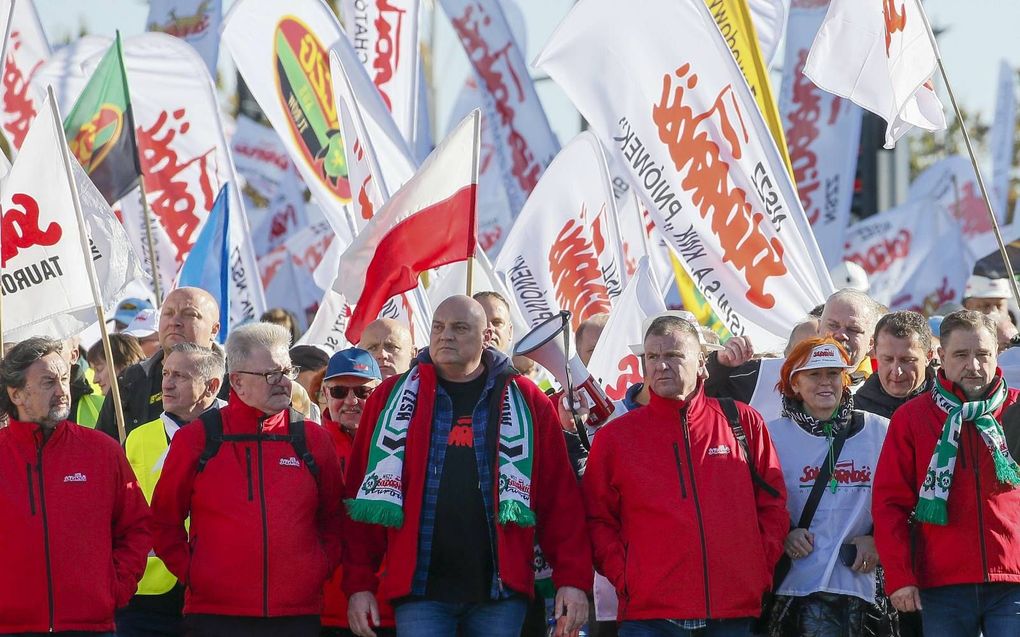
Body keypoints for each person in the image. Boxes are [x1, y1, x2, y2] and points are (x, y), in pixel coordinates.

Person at [343, 295, 592, 637]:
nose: (446, 336)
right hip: (420, 593)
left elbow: (559, 500)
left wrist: (573, 580)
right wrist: (359, 584)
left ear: (486, 335)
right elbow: (362, 499)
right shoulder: (389, 398)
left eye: (459, 328)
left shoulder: (527, 399)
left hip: (499, 594)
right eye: (439, 327)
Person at [582, 315, 787, 636]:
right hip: (649, 616)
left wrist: (759, 568)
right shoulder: (614, 438)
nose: (661, 365)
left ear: (702, 364)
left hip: (732, 611)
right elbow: (597, 519)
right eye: (652, 357)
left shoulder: (743, 422)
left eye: (674, 355)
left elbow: (773, 504)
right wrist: (627, 578)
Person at [151, 323, 344, 636]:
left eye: (287, 371)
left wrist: (316, 569)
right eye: (270, 374)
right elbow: (163, 521)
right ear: (237, 382)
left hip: (296, 615)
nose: (283, 382)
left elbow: (334, 518)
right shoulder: (197, 439)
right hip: (214, 615)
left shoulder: (314, 441)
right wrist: (195, 574)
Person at [874, 310, 1020, 636]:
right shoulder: (911, 419)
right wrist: (900, 578)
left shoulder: (1016, 409)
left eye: (982, 354)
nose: (974, 365)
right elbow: (889, 505)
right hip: (943, 585)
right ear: (941, 356)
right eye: (961, 354)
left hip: (1013, 582)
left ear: (997, 353)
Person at [0, 337, 151, 635]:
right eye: (48, 382)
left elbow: (137, 527)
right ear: (16, 394)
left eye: (65, 378)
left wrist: (114, 588)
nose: (62, 391)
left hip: (91, 625)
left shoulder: (101, 451)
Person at [765, 338, 892, 636]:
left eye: (833, 374)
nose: (826, 383)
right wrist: (783, 532)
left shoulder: (880, 430)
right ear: (794, 383)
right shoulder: (770, 436)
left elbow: (906, 503)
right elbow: (753, 506)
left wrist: (878, 540)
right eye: (814, 374)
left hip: (864, 592)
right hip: (796, 591)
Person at [118, 343, 226, 636]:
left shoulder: (236, 431)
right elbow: (122, 513)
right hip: (147, 595)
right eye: (166, 372)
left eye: (180, 375)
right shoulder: (139, 438)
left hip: (220, 589)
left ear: (211, 386)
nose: (167, 382)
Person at [706, 289, 884, 423]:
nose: (841, 335)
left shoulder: (881, 391)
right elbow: (699, 405)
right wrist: (720, 365)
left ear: (870, 343)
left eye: (854, 330)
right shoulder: (765, 373)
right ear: (819, 328)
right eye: (833, 325)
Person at [318, 348, 393, 637]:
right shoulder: (308, 446)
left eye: (362, 391)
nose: (351, 401)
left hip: (391, 607)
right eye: (339, 391)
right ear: (325, 393)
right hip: (325, 608)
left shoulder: (401, 445)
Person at [96, 287, 222, 440]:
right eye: (168, 313)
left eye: (190, 314)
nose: (174, 322)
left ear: (214, 330)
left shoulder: (237, 379)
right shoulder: (130, 381)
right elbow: (102, 451)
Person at [855, 311, 936, 419]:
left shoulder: (950, 409)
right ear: (875, 353)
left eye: (907, 360)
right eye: (887, 359)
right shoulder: (853, 415)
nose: (896, 371)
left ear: (928, 356)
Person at [61, 335, 105, 428]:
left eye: (57, 348)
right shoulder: (26, 407)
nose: (48, 355)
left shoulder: (105, 406)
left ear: (74, 355)